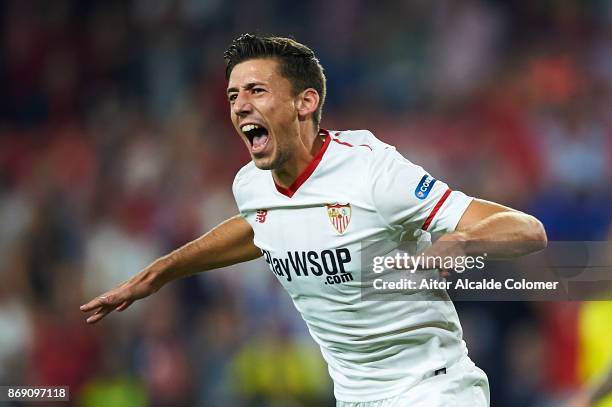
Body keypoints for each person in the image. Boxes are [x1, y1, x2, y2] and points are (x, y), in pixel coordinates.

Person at [81, 34, 547, 406]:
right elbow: (259, 225)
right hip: (351, 396)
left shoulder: (374, 172)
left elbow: (528, 231)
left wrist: (460, 241)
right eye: (233, 96)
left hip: (432, 388)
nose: (240, 105)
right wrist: (159, 273)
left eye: (257, 90)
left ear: (305, 103)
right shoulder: (252, 186)